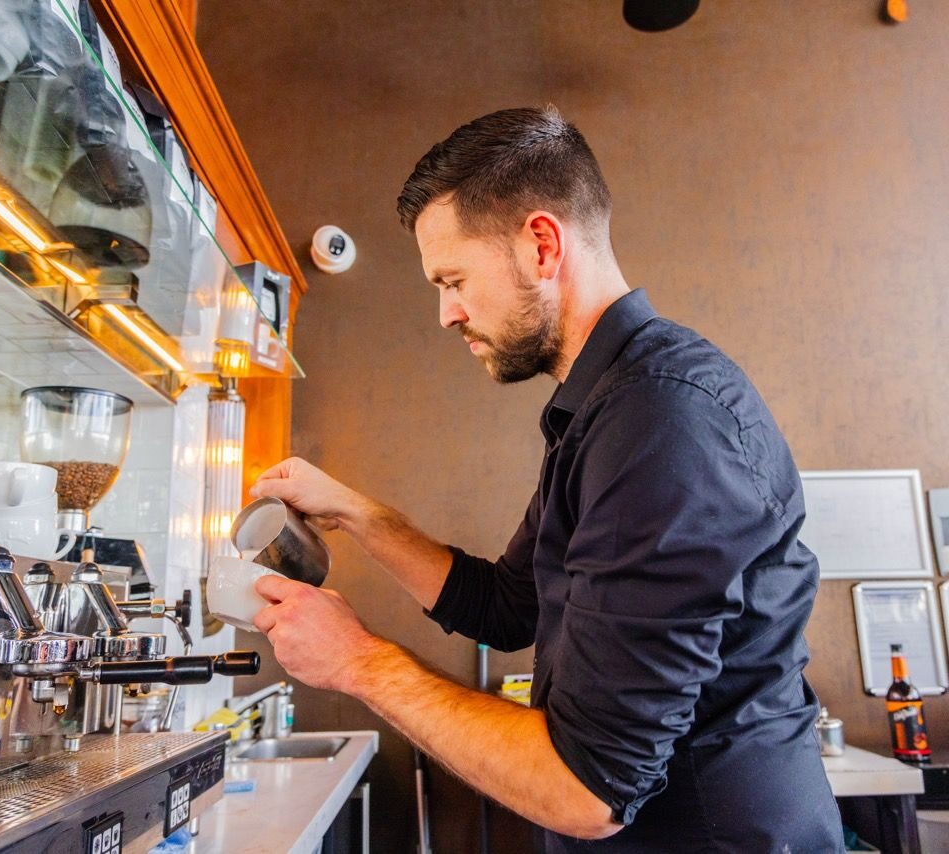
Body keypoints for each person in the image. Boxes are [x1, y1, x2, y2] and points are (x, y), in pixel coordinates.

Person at [251, 106, 844, 853]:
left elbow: (591, 788)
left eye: (454, 279)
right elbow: (505, 608)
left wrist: (358, 662)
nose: (447, 314)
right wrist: (354, 511)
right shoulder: (602, 410)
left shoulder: (661, 422)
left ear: (541, 244)